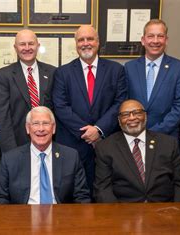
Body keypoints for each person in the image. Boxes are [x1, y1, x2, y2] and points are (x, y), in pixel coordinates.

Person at [52, 25, 127, 191]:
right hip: (73, 144)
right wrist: (87, 132)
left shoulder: (116, 70)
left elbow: (120, 103)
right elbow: (60, 106)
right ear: (76, 44)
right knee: (73, 195)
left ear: (98, 42)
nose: (86, 43)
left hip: (106, 143)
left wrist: (99, 129)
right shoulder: (62, 73)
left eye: (90, 39)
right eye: (81, 40)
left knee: (105, 193)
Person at [94, 100, 180, 202]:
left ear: (145, 116)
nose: (132, 118)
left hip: (164, 211)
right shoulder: (105, 147)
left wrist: (178, 212)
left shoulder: (168, 144)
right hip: (124, 212)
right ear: (119, 120)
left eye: (137, 113)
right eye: (125, 115)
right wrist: (117, 215)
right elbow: (103, 189)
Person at [0, 106, 90, 204]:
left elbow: (82, 197)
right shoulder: (10, 159)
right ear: (27, 128)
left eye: (46, 123)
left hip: (61, 216)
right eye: (35, 123)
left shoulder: (71, 157)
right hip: (23, 216)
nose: (41, 129)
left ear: (53, 128)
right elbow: (1, 198)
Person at [124, 19, 180, 138]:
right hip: (134, 134)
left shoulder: (179, 68)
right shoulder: (130, 67)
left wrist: (158, 131)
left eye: (160, 36)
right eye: (151, 36)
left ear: (166, 40)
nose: (155, 41)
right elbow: (125, 101)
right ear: (143, 40)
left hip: (166, 136)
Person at [0, 29, 56, 153]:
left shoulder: (52, 72)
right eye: (22, 44)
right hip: (17, 144)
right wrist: (10, 152)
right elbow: (2, 118)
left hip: (48, 143)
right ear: (15, 47)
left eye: (31, 43)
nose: (27, 48)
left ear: (38, 46)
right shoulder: (4, 75)